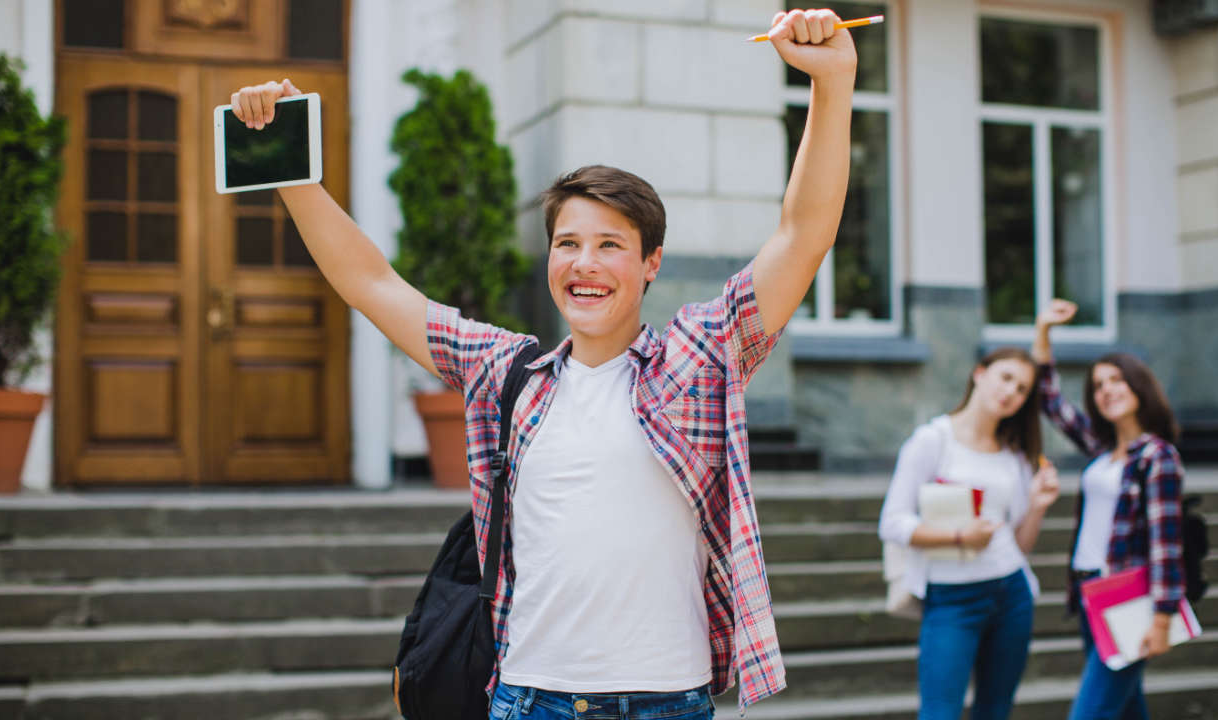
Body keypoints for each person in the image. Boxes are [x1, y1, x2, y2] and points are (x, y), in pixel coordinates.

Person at [229, 8, 858, 718]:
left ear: (650, 263)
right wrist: (286, 165)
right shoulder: (504, 373)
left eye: (610, 245)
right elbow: (374, 284)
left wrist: (832, 86)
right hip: (532, 701)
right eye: (567, 243)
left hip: (668, 703)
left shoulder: (697, 360)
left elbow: (802, 236)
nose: (585, 264)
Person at [878, 347, 1061, 720]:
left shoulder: (1014, 454)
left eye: (1023, 388)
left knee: (995, 711)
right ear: (980, 373)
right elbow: (892, 522)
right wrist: (961, 536)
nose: (1011, 392)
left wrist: (1038, 506)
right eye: (1006, 377)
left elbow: (1021, 544)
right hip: (951, 599)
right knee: (939, 713)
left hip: (1012, 594)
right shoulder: (932, 440)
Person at [1032, 299, 1186, 720]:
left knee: (1091, 712)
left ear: (1139, 386)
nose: (1106, 391)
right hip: (1089, 594)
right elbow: (1051, 402)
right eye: (1098, 385)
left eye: (1116, 380)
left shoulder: (1157, 457)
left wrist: (1162, 617)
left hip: (1129, 597)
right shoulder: (1103, 451)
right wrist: (1043, 331)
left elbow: (1166, 544)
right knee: (1125, 709)